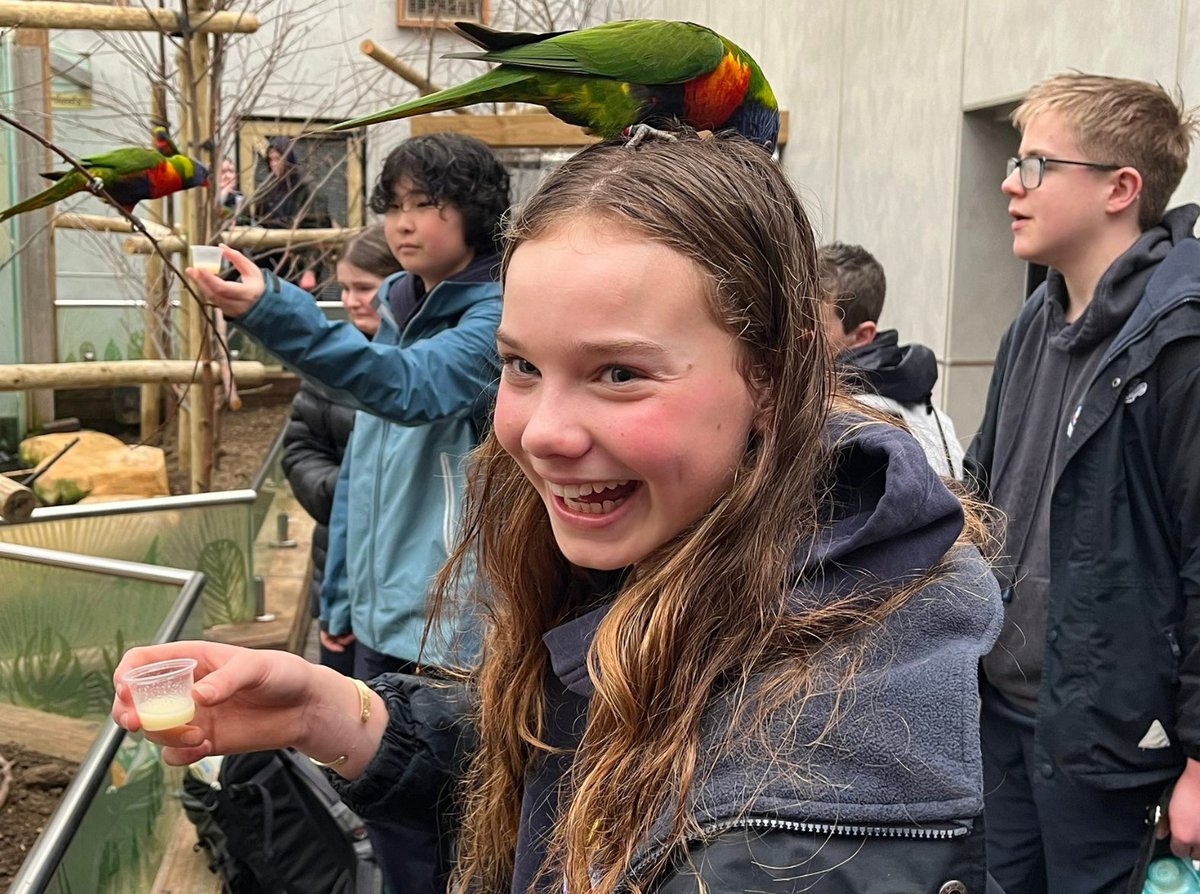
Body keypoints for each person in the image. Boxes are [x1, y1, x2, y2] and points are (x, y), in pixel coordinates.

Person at [115, 132, 1002, 892]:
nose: (541, 434)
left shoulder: (804, 804)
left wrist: (269, 309)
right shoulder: (686, 541)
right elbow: (579, 749)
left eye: (619, 373)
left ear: (773, 372)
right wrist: (333, 711)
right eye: (521, 367)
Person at [187, 132, 510, 894]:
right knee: (388, 817)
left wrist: (274, 308)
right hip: (374, 616)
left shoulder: (494, 316)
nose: (404, 224)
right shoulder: (404, 302)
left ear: (474, 213)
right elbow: (364, 475)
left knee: (442, 826)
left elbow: (408, 388)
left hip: (445, 626)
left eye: (426, 205)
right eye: (394, 206)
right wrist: (339, 596)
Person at [965, 72, 1200, 893]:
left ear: (1120, 189)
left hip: (1117, 750)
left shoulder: (1181, 339)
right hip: (1002, 721)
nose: (1009, 182)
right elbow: (982, 495)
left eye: (1035, 165)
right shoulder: (1033, 321)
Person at [281, 225, 399, 677]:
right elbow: (299, 450)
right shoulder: (333, 366)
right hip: (339, 561)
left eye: (364, 288)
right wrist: (351, 489)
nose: (350, 300)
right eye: (345, 288)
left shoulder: (437, 363)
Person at [818, 241, 964, 478]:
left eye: (813, 323)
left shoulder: (842, 419)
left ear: (862, 335)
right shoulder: (936, 417)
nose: (798, 333)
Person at [245, 135, 331, 291]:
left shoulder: (307, 189)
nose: (274, 164)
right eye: (271, 160)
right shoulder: (268, 190)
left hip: (298, 264)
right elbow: (259, 224)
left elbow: (318, 232)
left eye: (278, 158)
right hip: (271, 264)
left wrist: (310, 269)